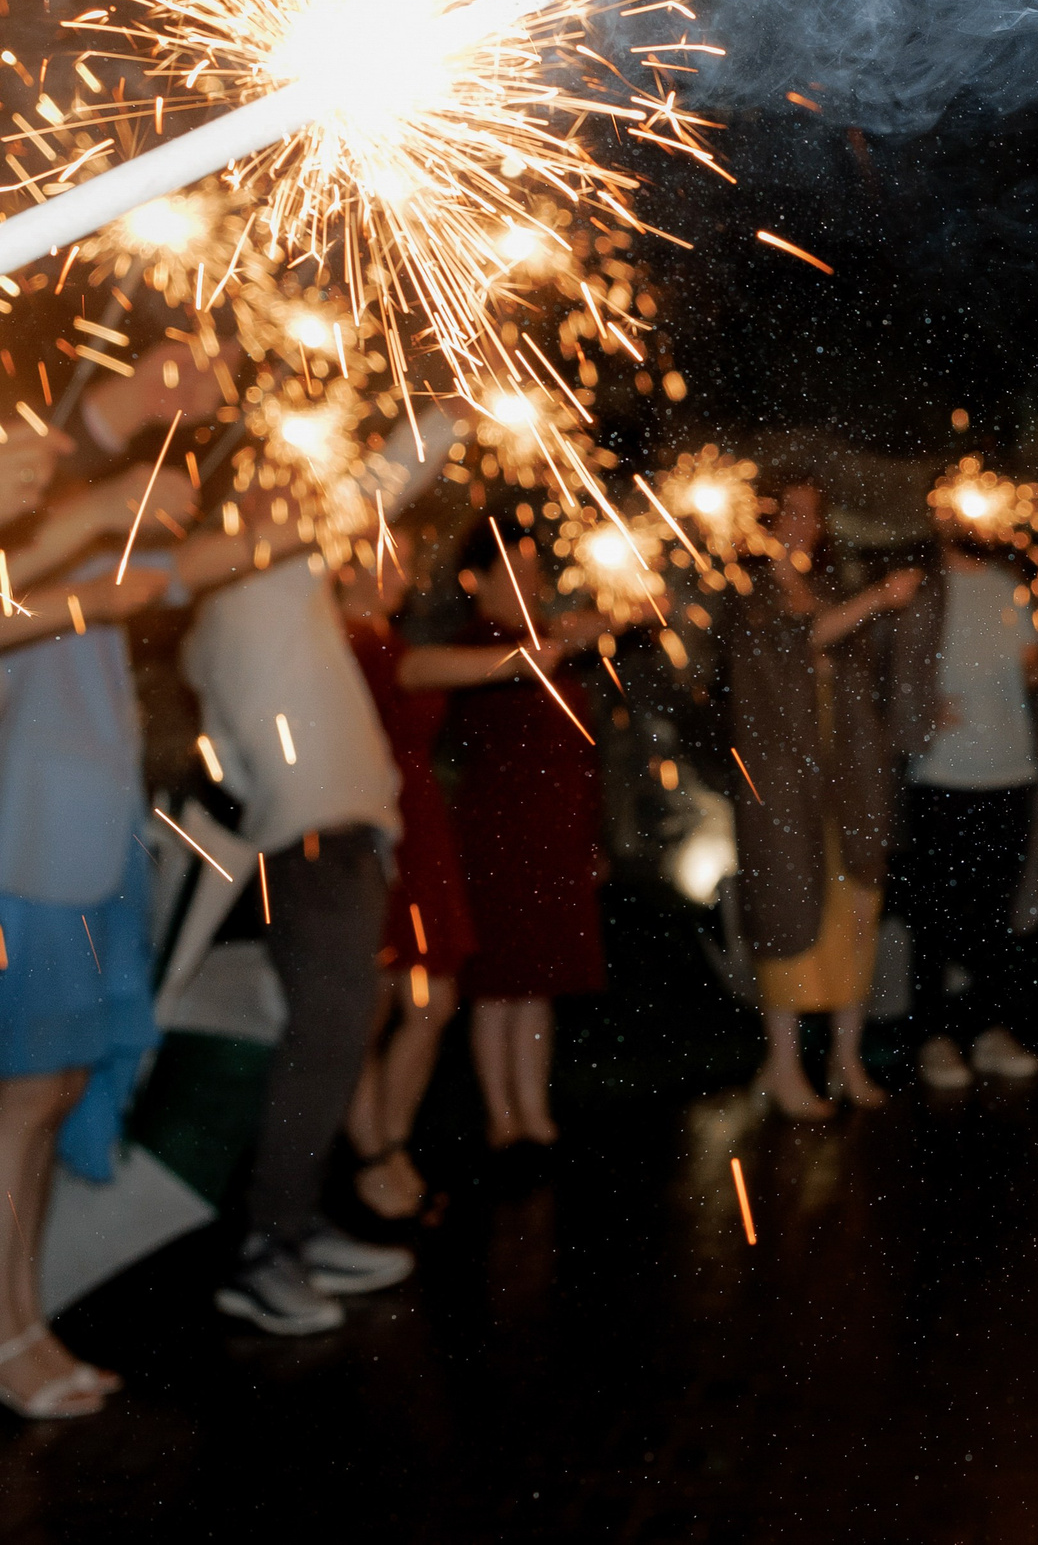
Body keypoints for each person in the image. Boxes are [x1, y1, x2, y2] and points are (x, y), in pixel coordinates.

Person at [181, 395, 441, 1336]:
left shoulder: (226, 613)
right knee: (324, 1044)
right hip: (319, 850)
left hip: (322, 846)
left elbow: (233, 763)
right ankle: (269, 1249)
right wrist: (445, 414)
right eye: (267, 490)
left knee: (327, 1042)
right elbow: (377, 488)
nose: (292, 500)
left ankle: (298, 1224)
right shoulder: (265, 574)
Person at [0, 453, 222, 1417]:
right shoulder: (41, 563)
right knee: (23, 1098)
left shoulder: (77, 557)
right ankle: (6, 1334)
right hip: (27, 863)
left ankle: (26, 1315)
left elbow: (201, 562)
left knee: (52, 1093)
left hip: (87, 858)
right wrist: (91, 540)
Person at [339, 529, 596, 1218]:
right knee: (372, 1007)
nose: (403, 573)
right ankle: (371, 1159)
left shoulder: (392, 639)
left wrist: (589, 626)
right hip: (367, 826)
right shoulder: (349, 643)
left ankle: (390, 1144)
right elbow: (420, 671)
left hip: (418, 820)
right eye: (388, 559)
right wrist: (521, 658)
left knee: (432, 1003)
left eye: (404, 559)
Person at [721, 478, 923, 1119]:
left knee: (854, 916)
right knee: (788, 916)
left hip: (848, 787)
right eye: (792, 513)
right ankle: (783, 1067)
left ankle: (845, 1059)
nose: (804, 525)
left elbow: (862, 671)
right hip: (785, 794)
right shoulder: (748, 597)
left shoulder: (832, 589)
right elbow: (797, 639)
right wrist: (876, 598)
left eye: (813, 515)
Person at [881, 502, 1038, 1093]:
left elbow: (1031, 674)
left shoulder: (1008, 586)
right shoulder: (918, 589)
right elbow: (882, 669)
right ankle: (932, 1038)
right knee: (935, 913)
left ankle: (990, 1031)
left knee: (997, 913)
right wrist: (917, 712)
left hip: (1010, 772)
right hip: (940, 775)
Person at [445, 525, 611, 1153]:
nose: (531, 583)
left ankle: (535, 1112)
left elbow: (578, 753)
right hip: (499, 836)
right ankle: (501, 1117)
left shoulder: (545, 642)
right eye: (515, 571)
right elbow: (478, 728)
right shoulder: (476, 649)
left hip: (555, 832)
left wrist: (589, 838)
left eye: (534, 570)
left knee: (540, 981)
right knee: (500, 984)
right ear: (479, 581)